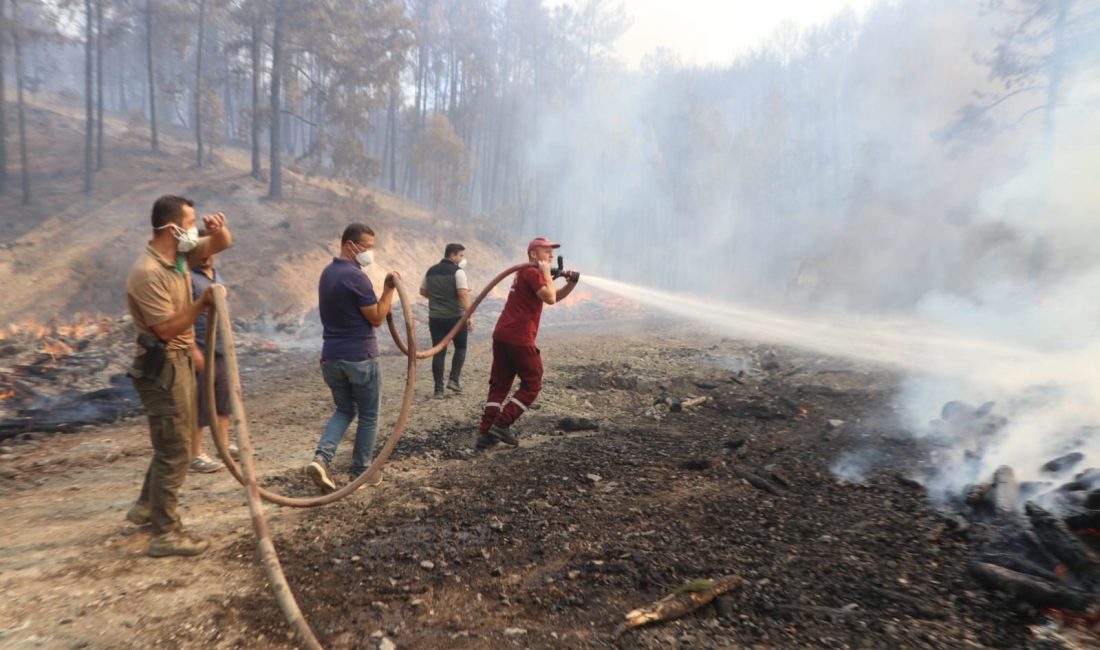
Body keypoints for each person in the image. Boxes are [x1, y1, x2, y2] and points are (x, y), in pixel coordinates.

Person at [124, 194, 232, 557]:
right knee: (177, 448)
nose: (194, 228)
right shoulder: (148, 273)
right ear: (173, 228)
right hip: (162, 366)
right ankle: (165, 533)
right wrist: (203, 304)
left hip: (181, 359)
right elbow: (166, 330)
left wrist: (218, 231)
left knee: (173, 440)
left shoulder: (180, 257)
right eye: (190, 223)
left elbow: (221, 244)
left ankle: (144, 507)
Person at [305, 224, 398, 493]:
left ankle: (322, 459)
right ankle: (363, 471)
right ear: (350, 245)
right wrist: (389, 289)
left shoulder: (328, 273)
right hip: (359, 356)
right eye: (367, 247)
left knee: (345, 409)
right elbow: (378, 318)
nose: (370, 253)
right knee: (369, 413)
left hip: (331, 356)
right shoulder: (356, 277)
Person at [477, 237, 579, 450]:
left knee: (500, 384)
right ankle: (502, 424)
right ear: (534, 254)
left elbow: (552, 297)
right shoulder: (533, 273)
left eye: (552, 252)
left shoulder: (527, 273)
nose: (551, 256)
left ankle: (486, 433)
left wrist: (570, 283)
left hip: (503, 333)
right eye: (546, 251)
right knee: (533, 382)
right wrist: (546, 275)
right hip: (519, 336)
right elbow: (550, 298)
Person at [189, 247, 239, 473]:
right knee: (199, 403)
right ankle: (196, 454)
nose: (207, 256)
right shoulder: (189, 278)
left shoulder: (216, 275)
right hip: (201, 347)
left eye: (210, 251)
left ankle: (223, 445)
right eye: (202, 251)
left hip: (220, 347)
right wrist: (193, 350)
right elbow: (183, 314)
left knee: (223, 401)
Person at [420, 243, 472, 399]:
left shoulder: (431, 271)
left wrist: (438, 299)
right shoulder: (458, 272)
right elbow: (463, 295)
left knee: (439, 352)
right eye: (461, 255)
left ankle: (438, 390)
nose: (462, 259)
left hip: (435, 318)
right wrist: (469, 316)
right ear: (453, 255)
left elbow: (422, 291)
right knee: (461, 348)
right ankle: (454, 380)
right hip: (455, 318)